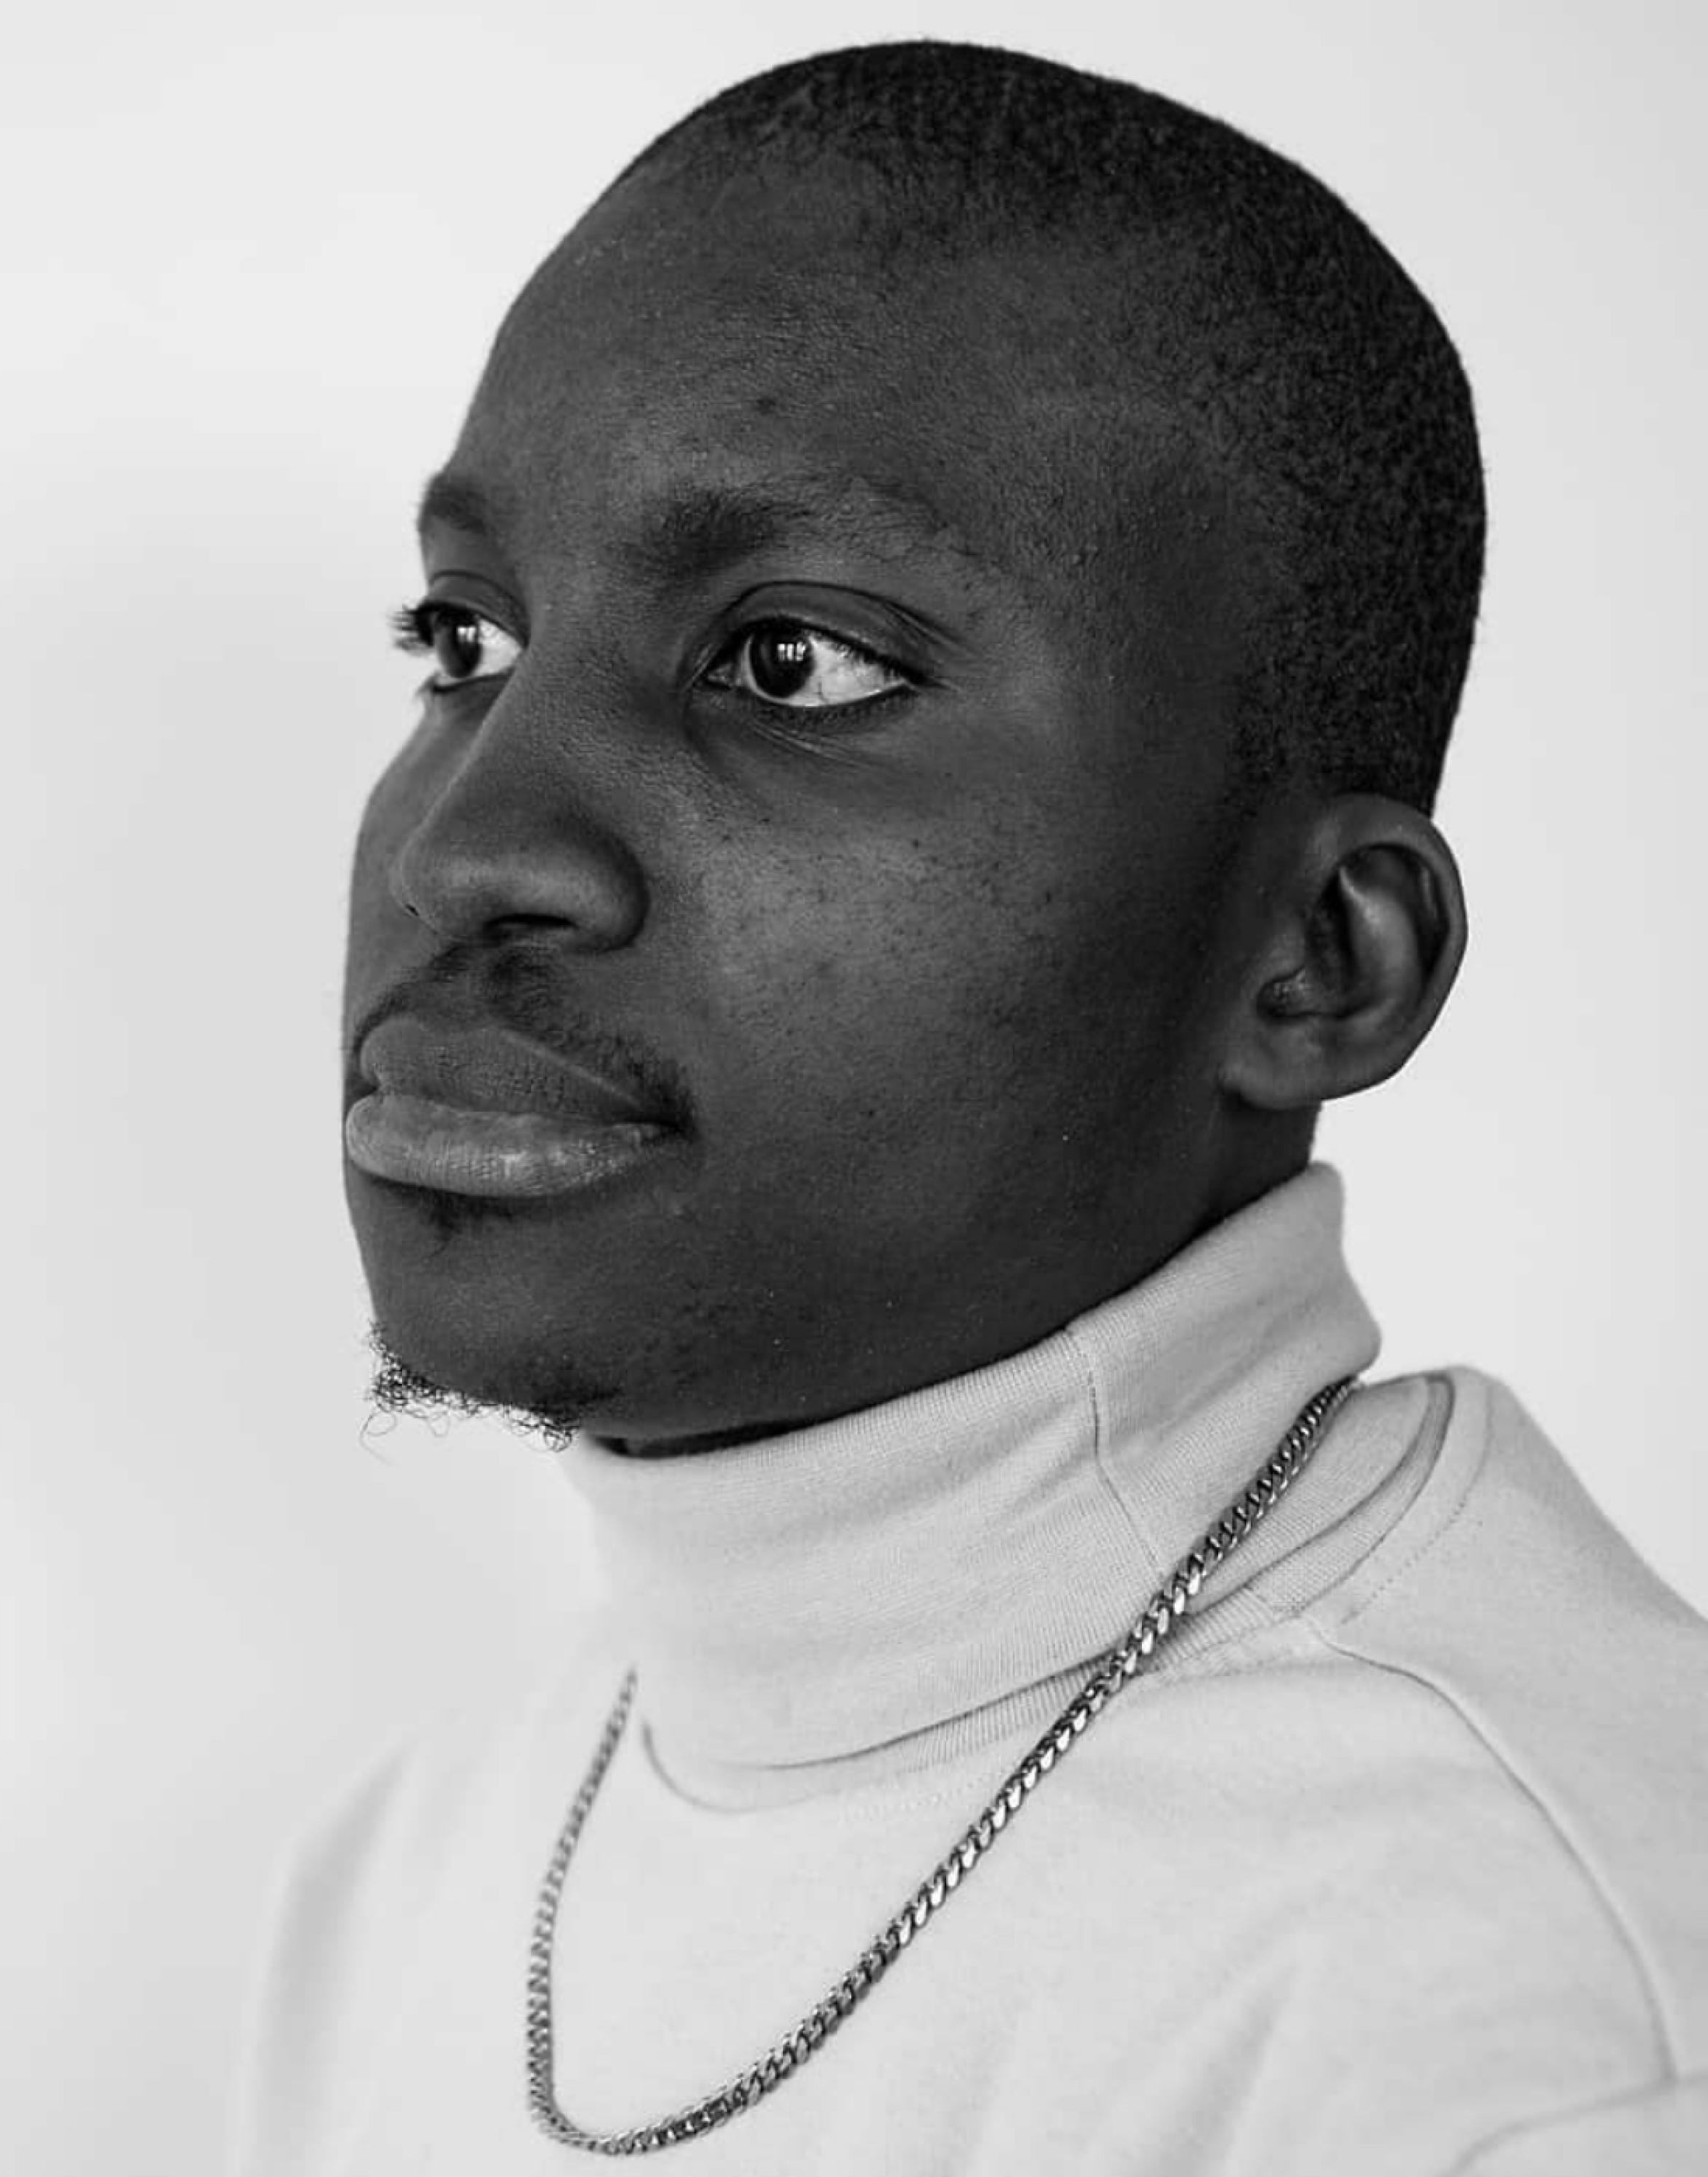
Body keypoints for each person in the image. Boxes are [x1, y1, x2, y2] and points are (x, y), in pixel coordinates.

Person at [237, 41, 1708, 2173]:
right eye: (464, 636)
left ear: (1315, 960)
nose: (471, 851)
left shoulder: (1527, 2039)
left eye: (794, 665)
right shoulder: (407, 1869)